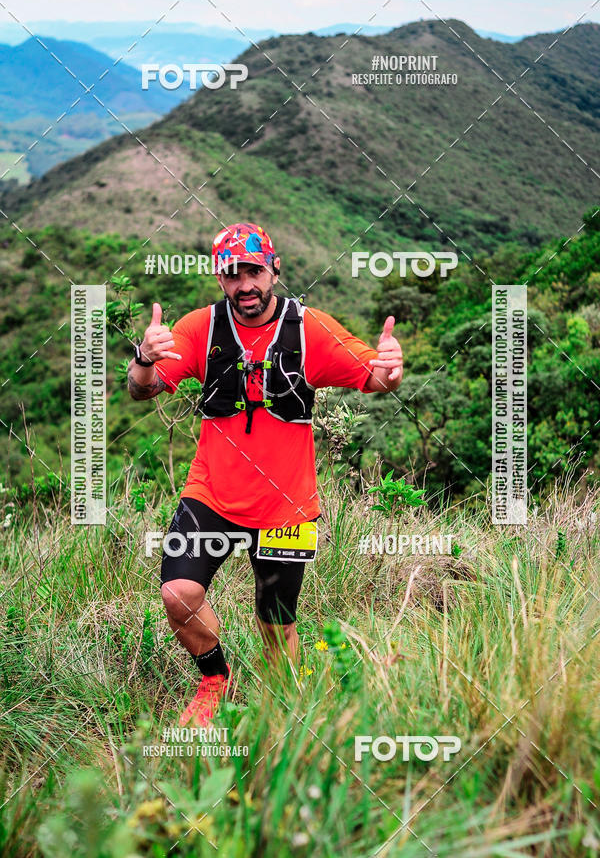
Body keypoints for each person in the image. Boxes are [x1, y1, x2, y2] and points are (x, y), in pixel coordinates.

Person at [127, 221, 403, 726]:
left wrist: (389, 366)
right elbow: (141, 389)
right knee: (178, 593)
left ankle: (286, 722)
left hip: (286, 507)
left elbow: (372, 375)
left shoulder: (307, 328)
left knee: (276, 626)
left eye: (253, 270)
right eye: (232, 274)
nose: (244, 284)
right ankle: (214, 679)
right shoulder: (201, 329)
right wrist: (144, 358)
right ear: (220, 279)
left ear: (274, 269)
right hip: (212, 493)